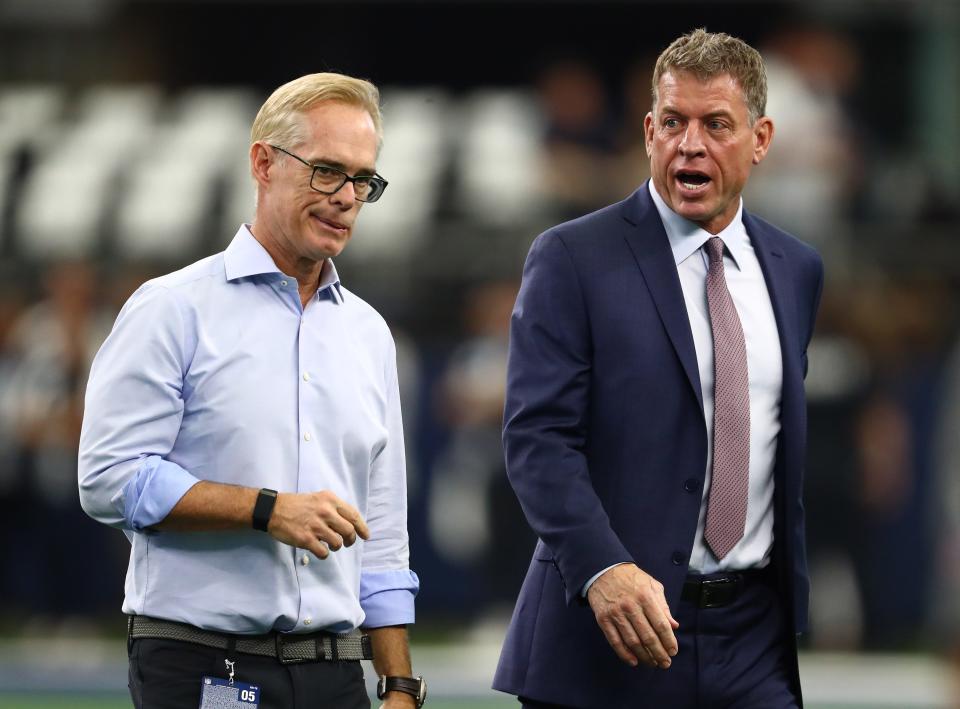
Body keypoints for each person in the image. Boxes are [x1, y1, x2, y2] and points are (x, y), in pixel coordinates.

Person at [493, 29, 824, 708]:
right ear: (648, 131)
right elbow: (537, 440)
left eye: (717, 125)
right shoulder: (572, 258)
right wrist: (604, 568)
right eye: (673, 122)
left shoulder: (797, 270)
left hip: (753, 640)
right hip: (610, 635)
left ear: (760, 140)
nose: (690, 144)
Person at [79, 73, 426, 709]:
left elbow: (382, 531)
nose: (347, 197)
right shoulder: (171, 309)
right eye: (327, 171)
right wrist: (266, 508)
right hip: (198, 661)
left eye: (362, 180)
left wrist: (400, 684)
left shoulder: (370, 334)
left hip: (337, 671)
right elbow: (107, 478)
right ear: (263, 162)